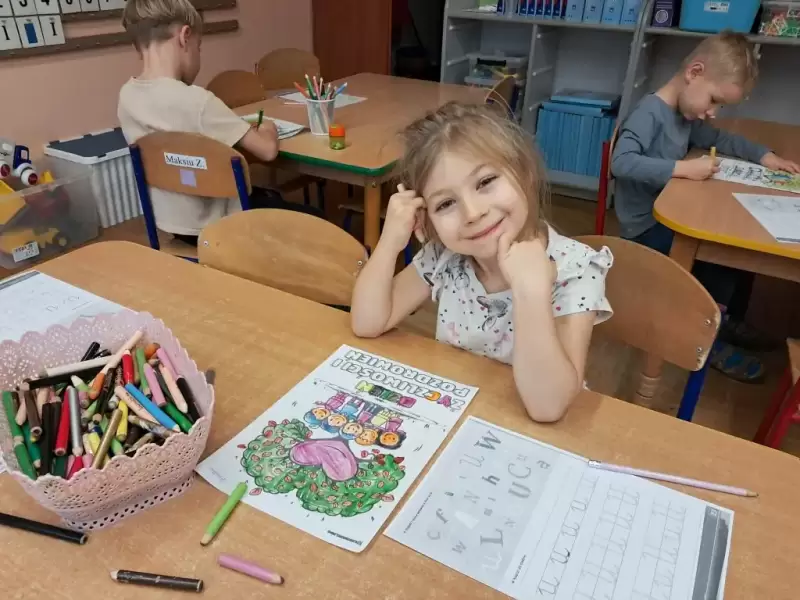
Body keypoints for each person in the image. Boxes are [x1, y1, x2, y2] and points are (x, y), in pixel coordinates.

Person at [351, 102, 613, 423]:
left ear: (525, 172)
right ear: (425, 217)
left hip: (527, 426)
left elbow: (548, 408)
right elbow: (367, 323)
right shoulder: (445, 257)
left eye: (486, 182)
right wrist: (390, 240)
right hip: (460, 415)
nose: (473, 213)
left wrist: (531, 290)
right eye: (446, 203)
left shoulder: (576, 270)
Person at [612, 31, 799, 383]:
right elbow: (621, 162)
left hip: (666, 215)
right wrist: (682, 169)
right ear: (694, 72)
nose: (712, 112)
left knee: (739, 251)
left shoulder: (683, 115)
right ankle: (708, 338)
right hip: (644, 228)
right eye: (714, 100)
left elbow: (718, 138)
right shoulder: (650, 113)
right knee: (718, 258)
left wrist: (764, 156)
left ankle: (725, 320)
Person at [118, 0, 321, 246]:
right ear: (185, 36)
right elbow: (267, 151)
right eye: (199, 47)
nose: (198, 54)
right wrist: (268, 128)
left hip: (174, 225)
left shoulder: (127, 97)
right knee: (317, 219)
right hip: (222, 227)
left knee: (269, 197)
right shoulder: (198, 101)